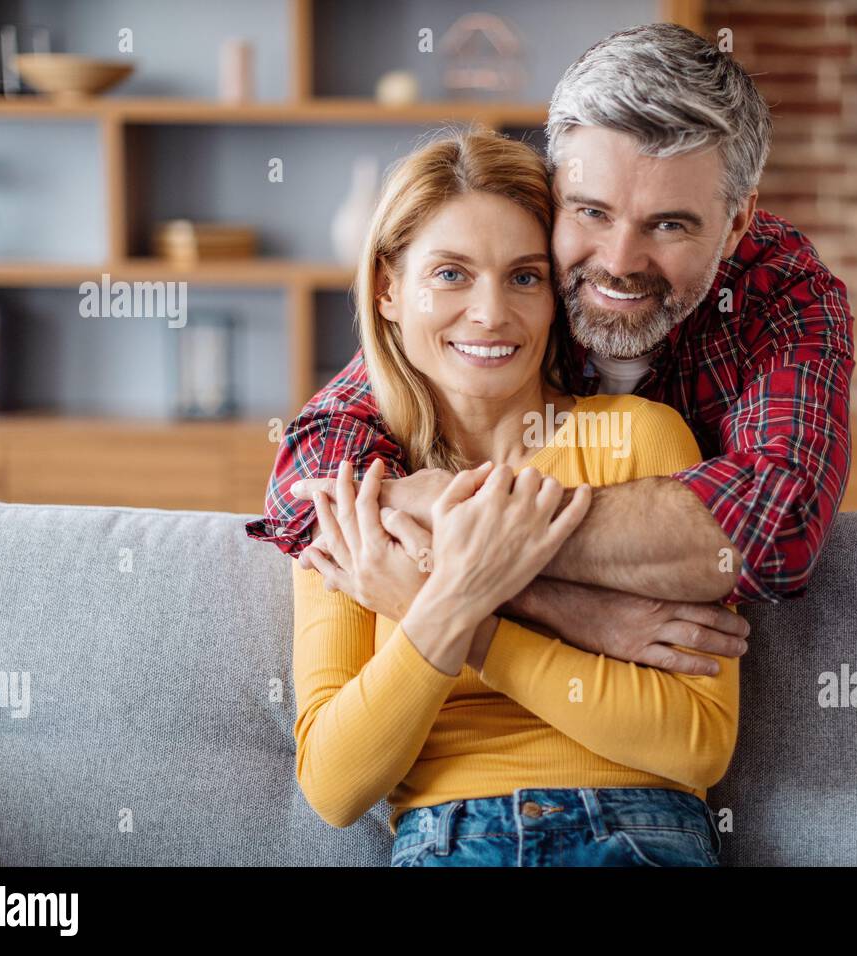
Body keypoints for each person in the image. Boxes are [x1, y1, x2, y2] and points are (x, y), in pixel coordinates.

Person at [249, 23, 854, 673]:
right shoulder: (517, 255)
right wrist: (567, 611)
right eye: (592, 212)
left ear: (736, 221)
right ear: (556, 186)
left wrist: (444, 513)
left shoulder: (782, 292)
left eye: (669, 224)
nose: (618, 263)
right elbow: (309, 489)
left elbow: (776, 522)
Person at [291, 128, 737, 866]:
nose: (492, 313)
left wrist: (453, 612)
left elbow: (696, 746)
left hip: (637, 832)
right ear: (387, 290)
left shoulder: (639, 440)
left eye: (524, 277)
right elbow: (335, 786)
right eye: (451, 274)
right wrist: (459, 601)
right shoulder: (357, 486)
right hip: (450, 840)